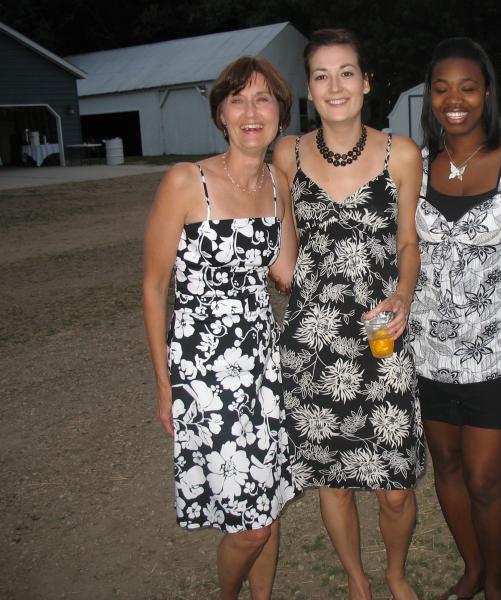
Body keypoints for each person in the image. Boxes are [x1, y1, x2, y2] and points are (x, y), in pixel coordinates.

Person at [273, 29, 424, 600]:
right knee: (332, 482)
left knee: (395, 487)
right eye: (321, 75)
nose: (334, 86)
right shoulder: (286, 155)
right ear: (309, 89)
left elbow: (408, 242)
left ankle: (395, 574)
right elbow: (281, 243)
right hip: (313, 339)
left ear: (365, 82)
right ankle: (357, 581)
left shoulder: (401, 153)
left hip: (381, 330)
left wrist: (403, 294)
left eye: (345, 73)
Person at [142, 56, 299, 600]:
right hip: (205, 371)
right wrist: (164, 383)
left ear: (281, 114)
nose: (251, 112)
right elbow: (153, 287)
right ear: (221, 115)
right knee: (250, 526)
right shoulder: (187, 181)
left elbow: (286, 273)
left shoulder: (279, 183)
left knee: (268, 506)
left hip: (262, 364)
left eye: (263, 99)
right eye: (237, 100)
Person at [407, 38, 501, 600]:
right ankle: (471, 570)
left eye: (468, 87)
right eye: (442, 88)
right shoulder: (415, 166)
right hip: (428, 350)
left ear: (487, 92)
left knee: (485, 478)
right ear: (430, 97)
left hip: (497, 353)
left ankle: (495, 583)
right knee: (445, 466)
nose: (455, 100)